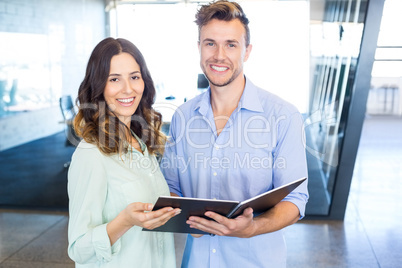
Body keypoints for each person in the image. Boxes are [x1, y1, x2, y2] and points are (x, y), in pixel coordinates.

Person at [160, 1, 309, 267]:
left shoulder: (283, 115)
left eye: (231, 44)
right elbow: (169, 186)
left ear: (247, 51)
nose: (219, 55)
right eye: (210, 43)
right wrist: (183, 218)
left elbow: (295, 200)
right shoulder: (183, 117)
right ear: (199, 48)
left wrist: (252, 227)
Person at [67, 37, 181, 268]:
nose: (128, 89)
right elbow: (78, 249)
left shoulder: (141, 143)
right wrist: (125, 221)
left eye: (134, 77)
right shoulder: (91, 153)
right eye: (114, 79)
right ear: (98, 87)